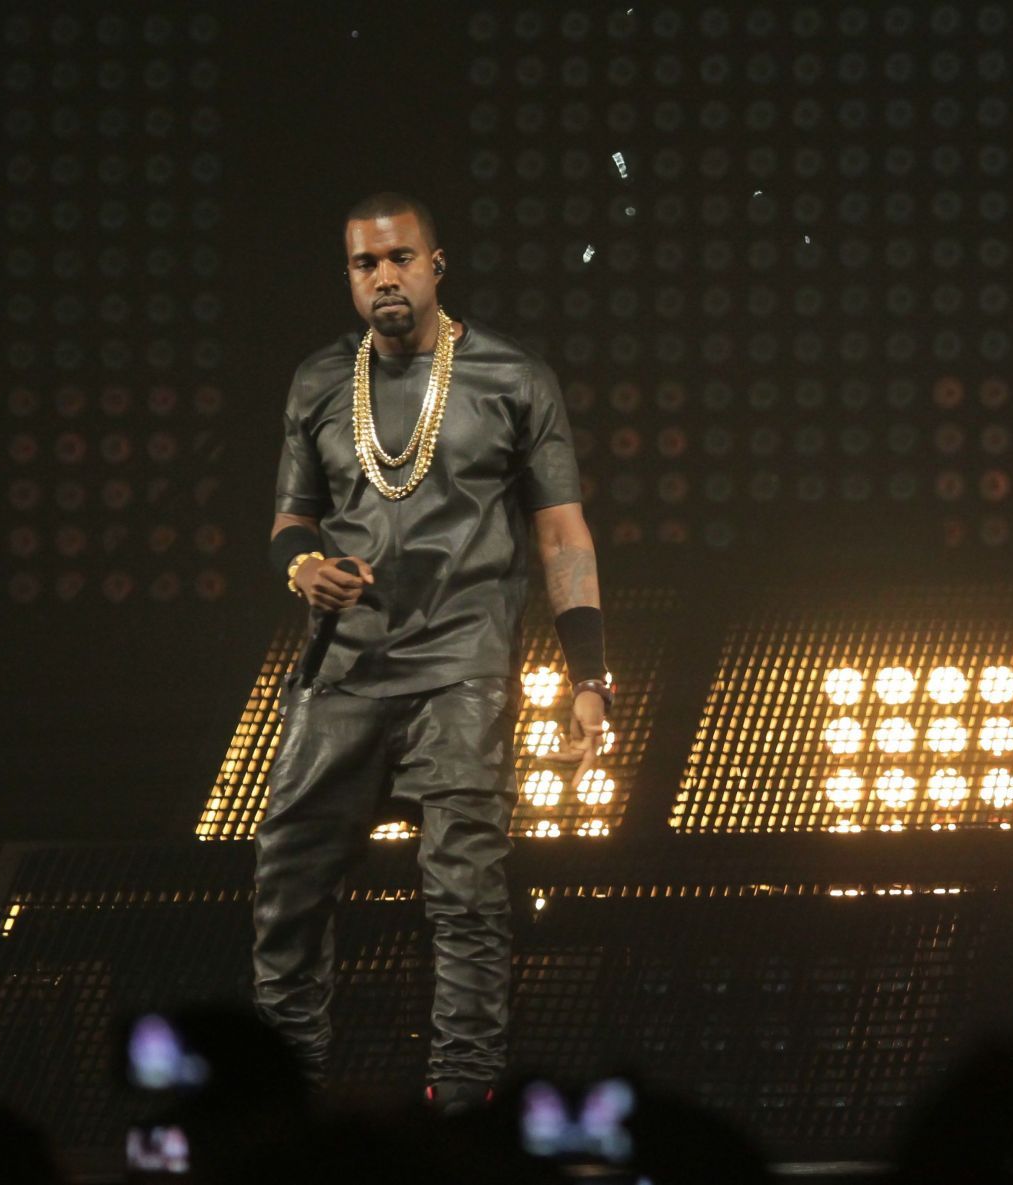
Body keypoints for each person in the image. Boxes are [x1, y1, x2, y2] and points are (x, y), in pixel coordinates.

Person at [256, 192, 608, 1113]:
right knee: (288, 876)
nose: (383, 277)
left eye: (400, 259)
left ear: (436, 265)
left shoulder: (510, 376)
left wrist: (589, 675)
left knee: (465, 893)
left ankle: (463, 1105)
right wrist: (304, 569)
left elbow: (563, 531)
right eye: (365, 264)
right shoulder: (320, 380)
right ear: (349, 276)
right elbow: (290, 521)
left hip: (463, 663)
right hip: (343, 667)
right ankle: (283, 1099)